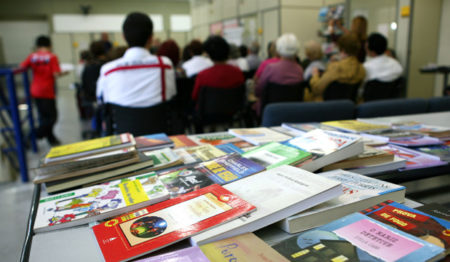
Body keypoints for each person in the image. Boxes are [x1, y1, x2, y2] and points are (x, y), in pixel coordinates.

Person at [96, 12, 176, 108]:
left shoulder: (108, 70)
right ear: (151, 38)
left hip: (121, 122)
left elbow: (102, 102)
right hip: (158, 122)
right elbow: (171, 96)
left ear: (123, 37)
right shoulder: (165, 65)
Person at [20, 35, 66, 145]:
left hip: (35, 90)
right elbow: (56, 74)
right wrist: (65, 72)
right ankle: (32, 136)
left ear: (37, 46)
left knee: (43, 117)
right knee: (52, 118)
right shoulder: (52, 57)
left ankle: (51, 139)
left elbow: (21, 67)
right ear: (50, 45)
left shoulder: (32, 56)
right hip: (47, 91)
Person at [254, 33, 304, 116]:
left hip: (271, 113)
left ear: (279, 49)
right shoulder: (299, 70)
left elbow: (258, 90)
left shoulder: (270, 68)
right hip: (294, 113)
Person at [308, 33, 365, 101]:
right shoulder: (362, 69)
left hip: (329, 107)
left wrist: (315, 76)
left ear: (342, 50)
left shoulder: (335, 67)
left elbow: (317, 89)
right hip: (349, 107)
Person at [191, 35, 245, 104]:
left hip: (207, 112)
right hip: (233, 112)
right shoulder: (238, 73)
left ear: (209, 55)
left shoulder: (202, 75)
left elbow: (195, 97)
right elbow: (241, 95)